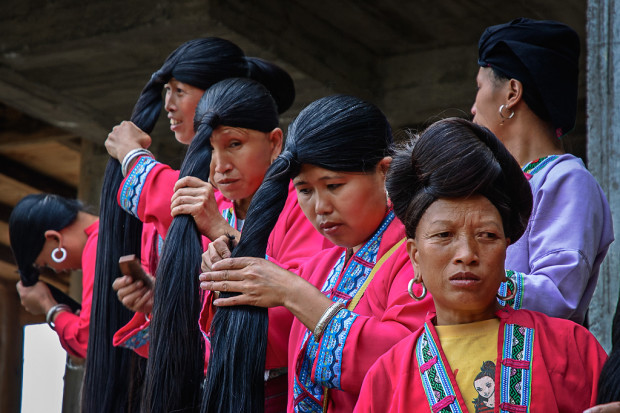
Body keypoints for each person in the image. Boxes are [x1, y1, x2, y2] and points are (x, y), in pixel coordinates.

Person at [353, 118, 607, 412]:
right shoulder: (386, 379)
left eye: (487, 235)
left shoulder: (572, 349)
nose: (466, 254)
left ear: (506, 250)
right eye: (444, 235)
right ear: (415, 257)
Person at [199, 95, 433, 412]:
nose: (320, 208)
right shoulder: (320, 268)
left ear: (384, 172)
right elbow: (265, 347)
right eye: (305, 190)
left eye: (334, 185)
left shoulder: (420, 255)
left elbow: (407, 360)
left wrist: (292, 291)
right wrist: (231, 282)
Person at [116, 78, 328, 413]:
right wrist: (161, 298)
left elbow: (308, 308)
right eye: (210, 150)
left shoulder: (302, 205)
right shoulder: (218, 210)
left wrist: (219, 228)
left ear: (275, 143)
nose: (220, 166)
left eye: (234, 144)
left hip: (279, 395)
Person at [471, 17, 614, 324]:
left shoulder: (567, 179)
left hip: (537, 367)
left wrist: (470, 280)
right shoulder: (495, 183)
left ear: (511, 93)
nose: (472, 107)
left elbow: (559, 294)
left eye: (479, 87)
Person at [11, 194, 98, 360]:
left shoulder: (96, 246)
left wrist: (48, 305)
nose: (58, 271)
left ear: (55, 239)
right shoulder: (108, 232)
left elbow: (90, 341)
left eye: (47, 264)